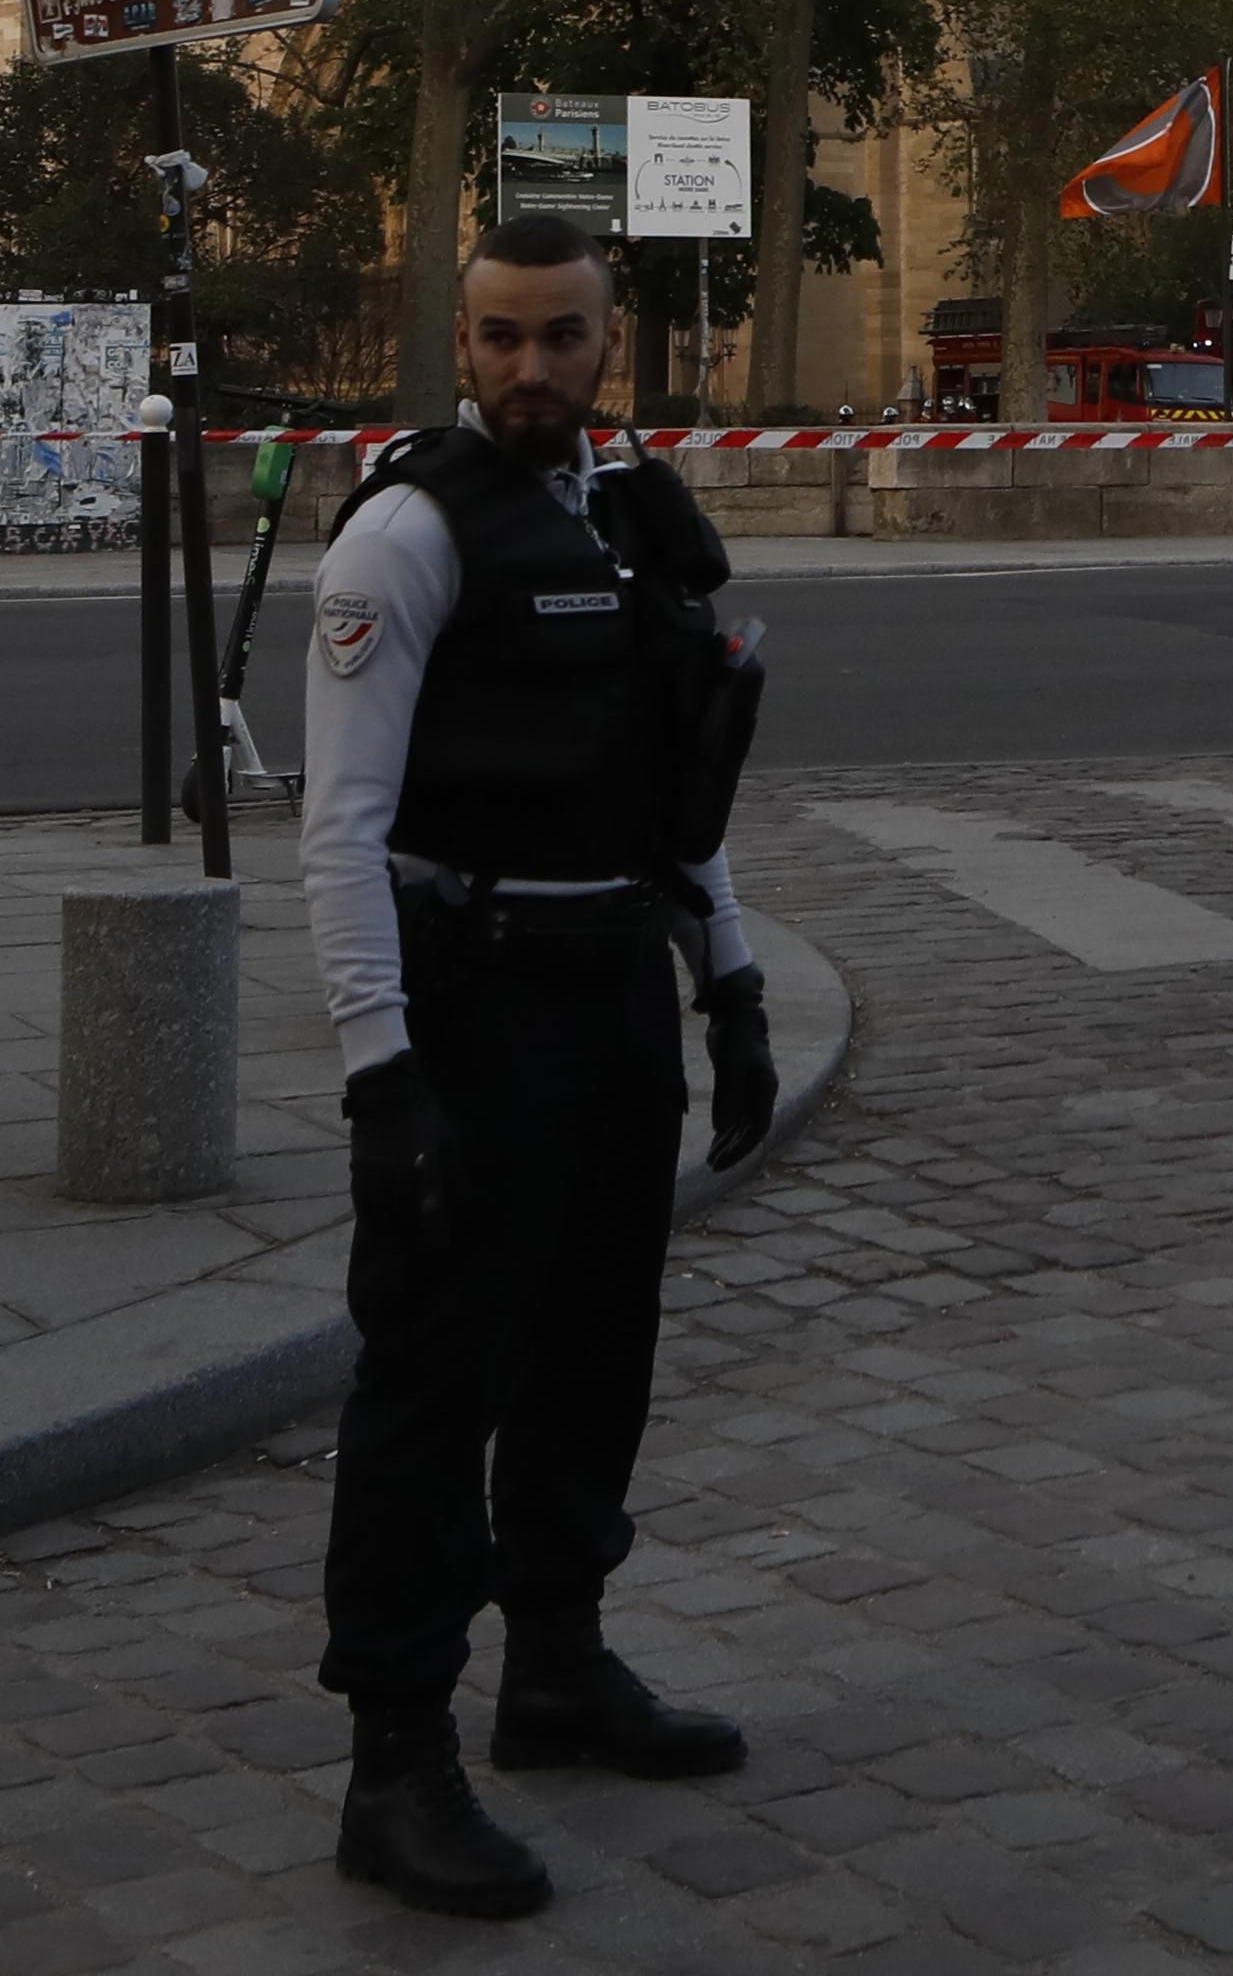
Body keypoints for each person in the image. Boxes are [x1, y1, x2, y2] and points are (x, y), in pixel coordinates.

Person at [296, 216, 790, 1918]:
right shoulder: (409, 539)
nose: (529, 368)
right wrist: (382, 1077)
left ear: (609, 340)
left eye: (561, 337)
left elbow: (675, 791)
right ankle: (395, 1761)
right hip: (475, 997)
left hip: (613, 993)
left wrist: (729, 985)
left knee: (598, 1348)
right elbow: (339, 832)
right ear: (463, 338)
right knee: (436, 1385)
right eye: (500, 337)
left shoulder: (629, 513)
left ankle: (561, 1666)